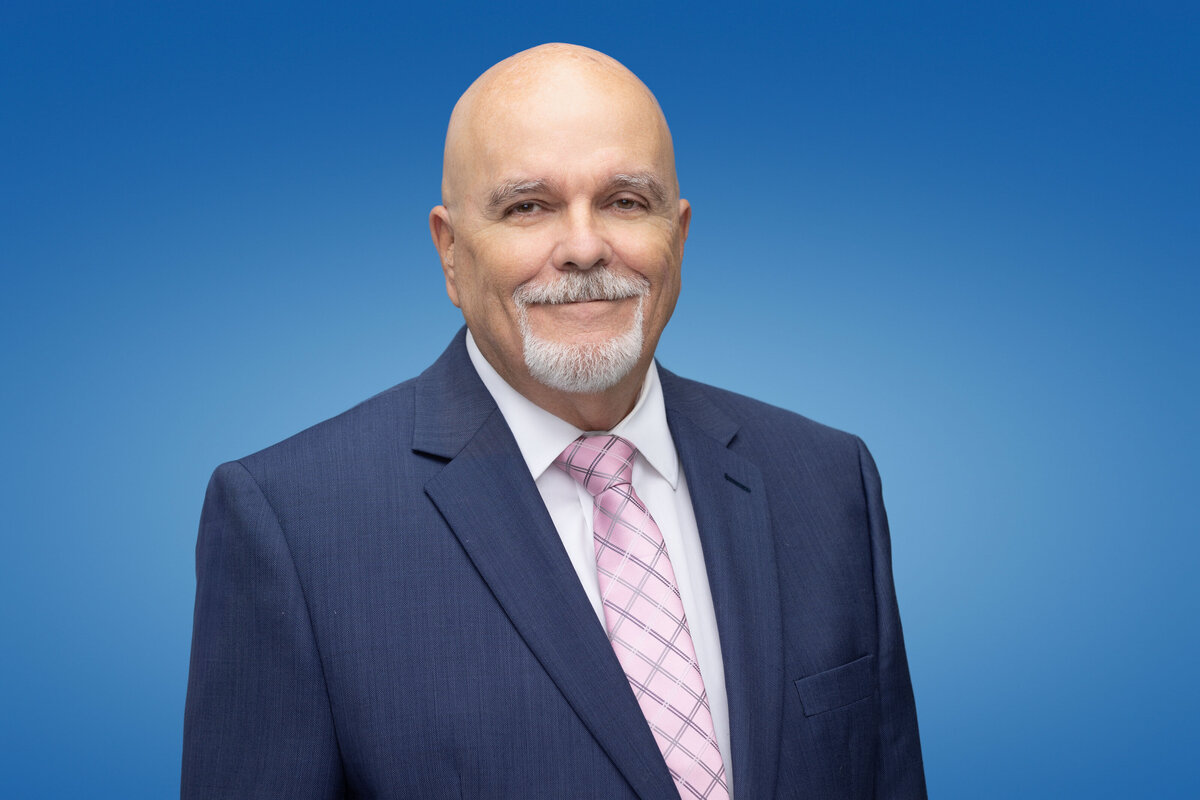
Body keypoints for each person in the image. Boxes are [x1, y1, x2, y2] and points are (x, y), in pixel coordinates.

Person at [182, 43, 926, 799]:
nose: (582, 247)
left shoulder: (829, 484)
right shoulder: (290, 525)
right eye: (528, 207)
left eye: (626, 202)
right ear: (449, 251)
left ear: (681, 233)